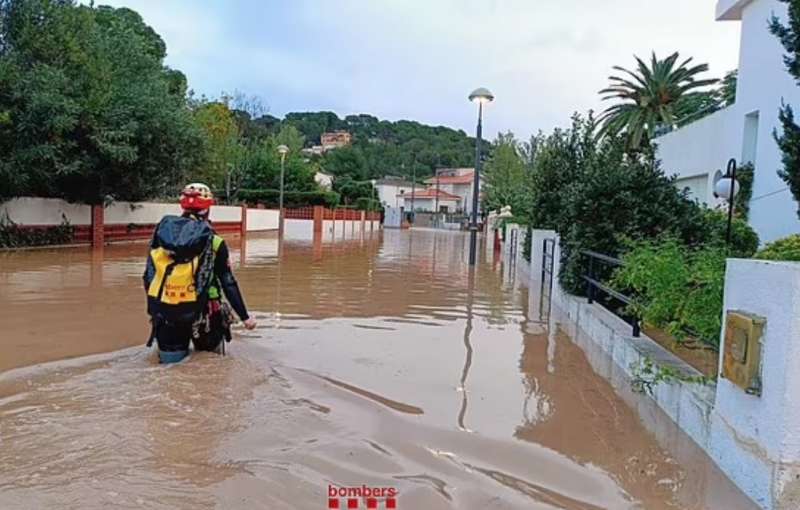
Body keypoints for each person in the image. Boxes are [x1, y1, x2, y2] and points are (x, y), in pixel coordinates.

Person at [143, 183, 256, 363]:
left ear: (183, 206)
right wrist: (245, 317)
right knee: (210, 367)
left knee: (169, 370)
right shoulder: (215, 241)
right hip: (207, 312)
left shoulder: (162, 236)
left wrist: (156, 307)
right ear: (208, 208)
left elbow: (149, 276)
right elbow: (227, 281)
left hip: (168, 310)